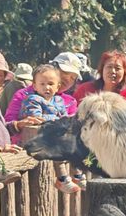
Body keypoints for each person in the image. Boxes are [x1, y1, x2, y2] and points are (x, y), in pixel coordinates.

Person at [18, 64, 85, 194]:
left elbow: (64, 116)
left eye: (50, 84)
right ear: (35, 85)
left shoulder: (58, 100)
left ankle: (77, 174)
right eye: (42, 84)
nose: (46, 87)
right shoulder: (33, 99)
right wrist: (56, 119)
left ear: (57, 86)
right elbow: (36, 117)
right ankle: (63, 179)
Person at [5, 51, 81, 142]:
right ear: (53, 68)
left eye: (73, 77)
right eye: (65, 72)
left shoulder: (70, 102)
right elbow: (8, 123)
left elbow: (73, 128)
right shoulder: (24, 95)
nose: (67, 79)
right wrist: (19, 124)